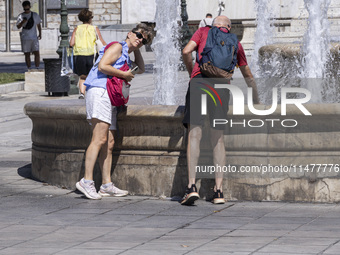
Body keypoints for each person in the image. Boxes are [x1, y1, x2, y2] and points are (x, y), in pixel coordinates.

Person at [181, 15, 260, 205]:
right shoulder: (235, 42)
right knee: (218, 138)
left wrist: (192, 70)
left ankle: (192, 186)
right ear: (229, 27)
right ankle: (218, 190)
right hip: (222, 88)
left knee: (195, 134)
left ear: (213, 24)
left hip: (200, 82)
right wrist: (256, 98)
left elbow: (186, 51)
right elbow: (247, 73)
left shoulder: (202, 32)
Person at [76, 23, 154, 200]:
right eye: (138, 35)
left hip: (109, 96)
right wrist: (124, 75)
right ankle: (86, 181)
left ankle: (106, 184)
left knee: (109, 142)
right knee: (99, 138)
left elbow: (140, 69)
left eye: (144, 40)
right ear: (129, 33)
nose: (139, 39)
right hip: (100, 91)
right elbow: (103, 66)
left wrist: (136, 48)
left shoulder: (126, 52)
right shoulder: (118, 46)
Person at [70, 9, 106, 99]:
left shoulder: (77, 29)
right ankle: (92, 93)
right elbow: (101, 41)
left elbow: (71, 43)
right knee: (93, 75)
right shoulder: (94, 28)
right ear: (90, 18)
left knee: (82, 76)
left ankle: (82, 93)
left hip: (79, 55)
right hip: (92, 55)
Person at [16, 1, 42, 70]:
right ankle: (29, 68)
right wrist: (22, 22)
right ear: (23, 8)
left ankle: (37, 67)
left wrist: (40, 33)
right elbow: (18, 26)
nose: (26, 11)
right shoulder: (21, 16)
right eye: (25, 9)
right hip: (25, 37)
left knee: (36, 52)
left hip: (34, 37)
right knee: (27, 53)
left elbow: (38, 25)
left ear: (30, 7)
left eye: (28, 9)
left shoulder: (35, 15)